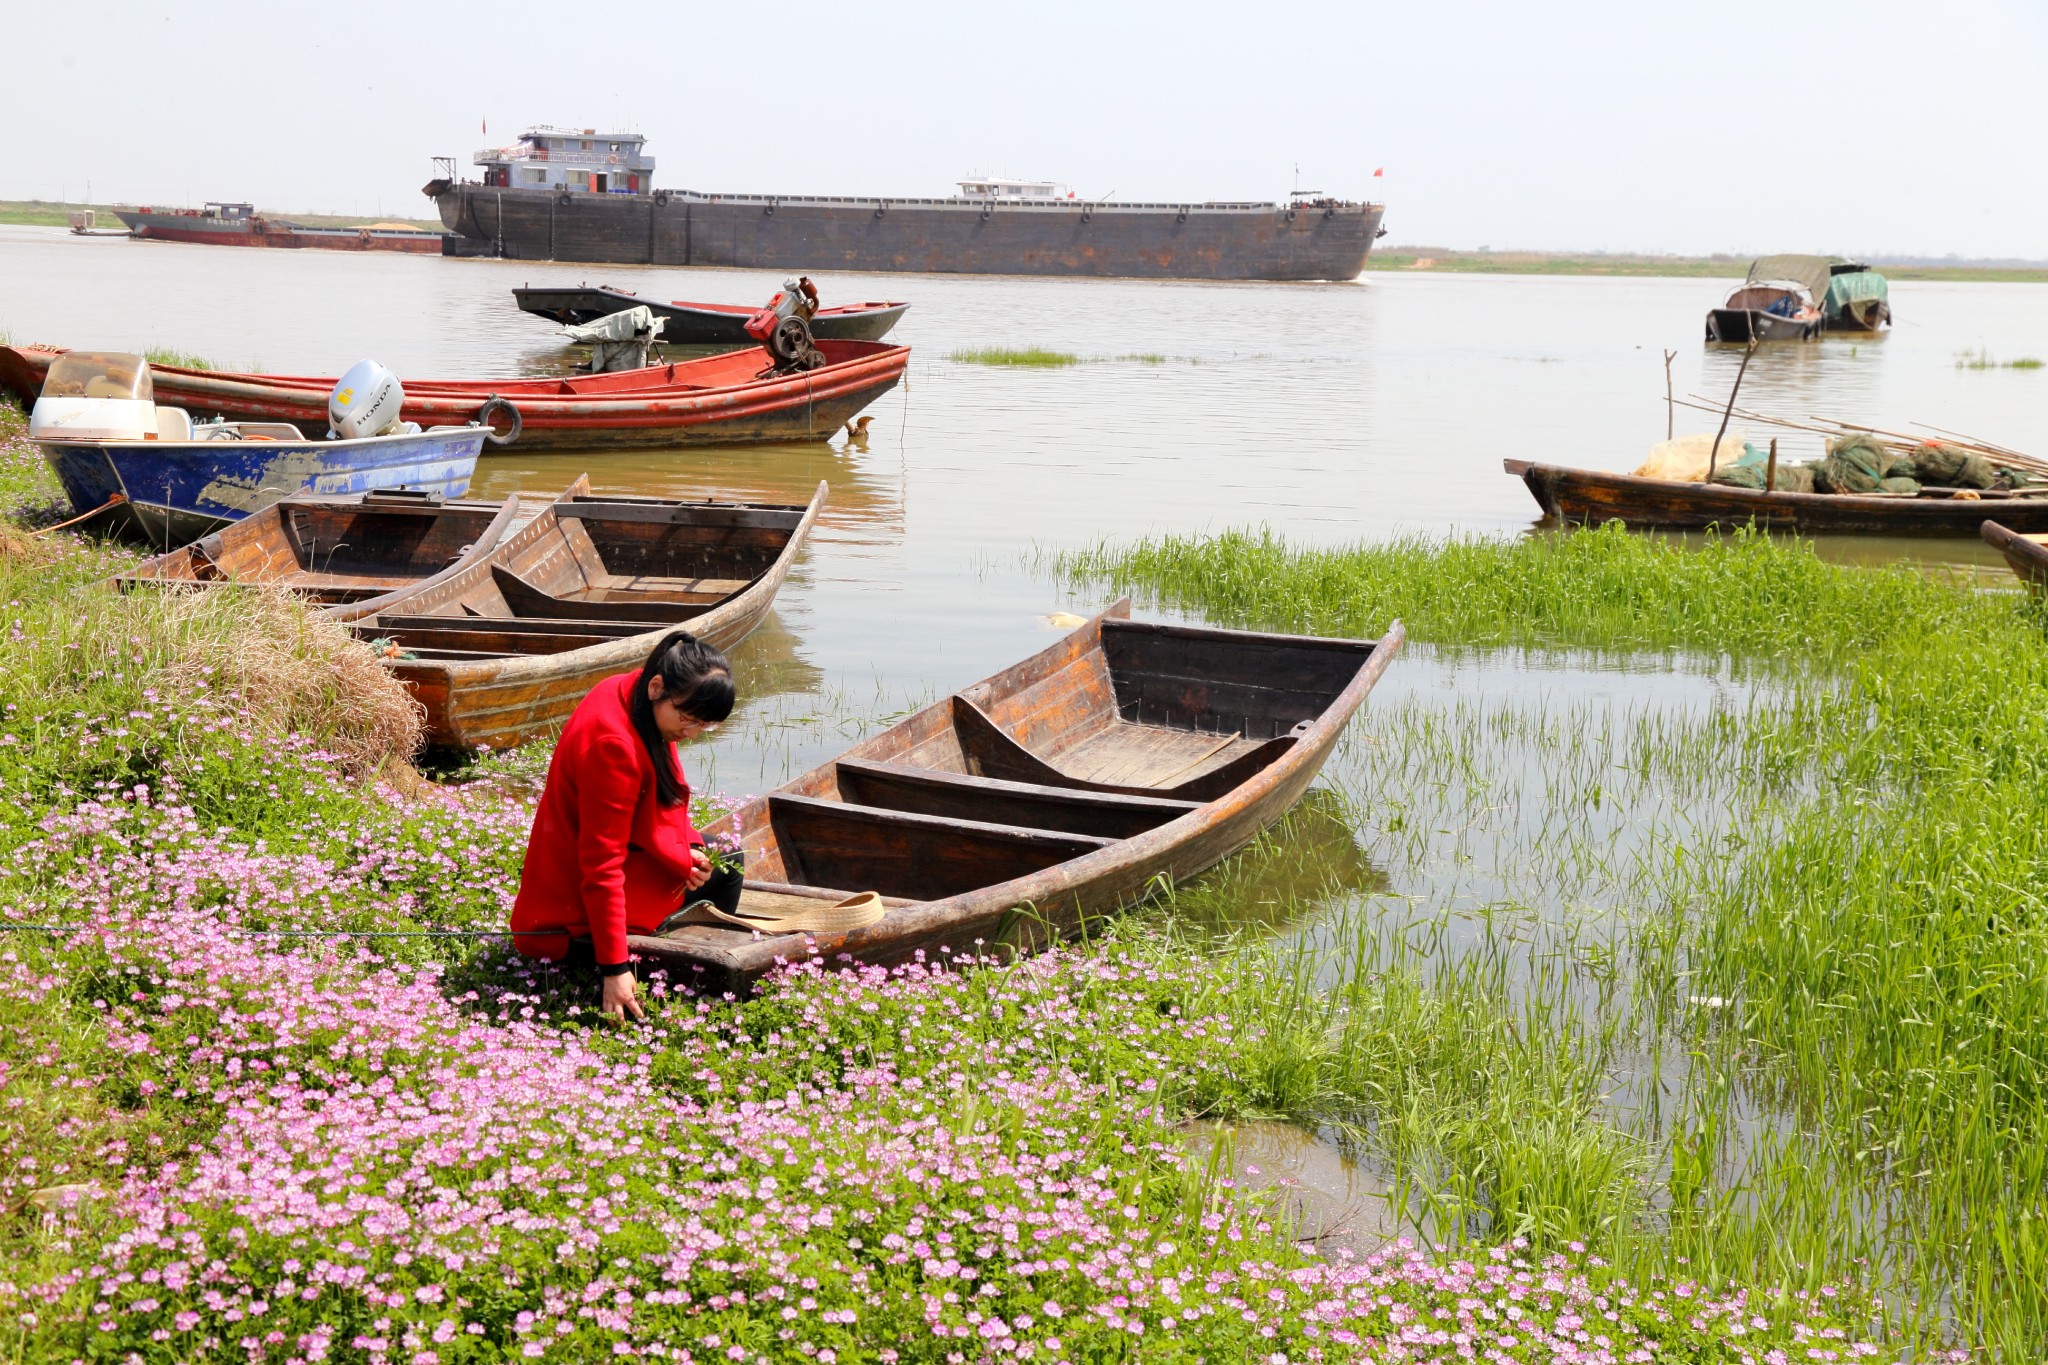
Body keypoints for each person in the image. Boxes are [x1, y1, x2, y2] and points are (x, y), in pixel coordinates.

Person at [509, 631, 741, 1020]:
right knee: (729, 871)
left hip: (574, 868)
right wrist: (614, 969)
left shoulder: (627, 690)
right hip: (568, 913)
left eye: (704, 725)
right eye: (687, 718)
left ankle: (678, 945)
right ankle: (701, 976)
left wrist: (688, 846)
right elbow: (601, 867)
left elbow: (658, 800)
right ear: (656, 688)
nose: (691, 733)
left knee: (719, 852)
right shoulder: (612, 745)